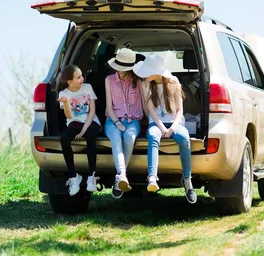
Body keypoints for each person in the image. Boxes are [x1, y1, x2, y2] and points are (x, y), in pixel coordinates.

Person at [133, 55, 197, 204]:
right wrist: (162, 128)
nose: (144, 75)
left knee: (184, 139)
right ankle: (152, 177)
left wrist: (172, 128)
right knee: (153, 136)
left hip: (175, 122)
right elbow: (151, 111)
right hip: (157, 123)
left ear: (155, 72)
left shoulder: (173, 82)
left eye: (147, 71)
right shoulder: (148, 85)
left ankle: (187, 180)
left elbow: (180, 110)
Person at [104, 48, 146, 199]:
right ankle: (122, 175)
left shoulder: (139, 81)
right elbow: (109, 107)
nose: (120, 71)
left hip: (133, 120)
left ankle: (120, 178)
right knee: (116, 139)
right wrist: (116, 122)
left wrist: (154, 122)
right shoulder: (109, 80)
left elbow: (145, 105)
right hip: (113, 119)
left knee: (129, 137)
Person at [57, 64, 102, 196]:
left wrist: (83, 130)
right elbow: (69, 116)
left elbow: (92, 111)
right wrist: (65, 102)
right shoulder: (63, 94)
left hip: (91, 121)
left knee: (90, 136)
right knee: (64, 139)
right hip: (74, 122)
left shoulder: (87, 87)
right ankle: (73, 177)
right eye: (78, 77)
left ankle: (91, 176)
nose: (82, 79)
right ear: (69, 82)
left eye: (81, 75)